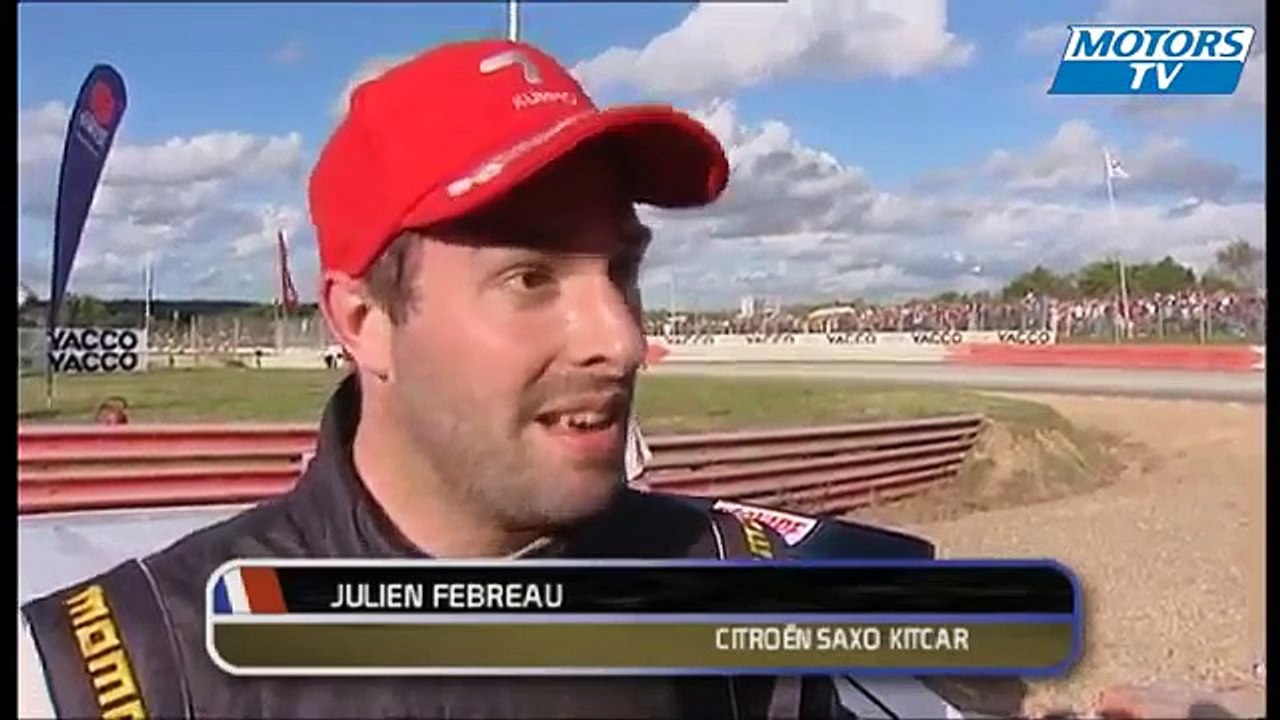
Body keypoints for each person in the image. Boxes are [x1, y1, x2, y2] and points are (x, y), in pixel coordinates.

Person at [17, 39, 1207, 720]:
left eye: (619, 272)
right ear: (365, 322)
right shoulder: (119, 671)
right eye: (531, 276)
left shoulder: (755, 587)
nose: (621, 339)